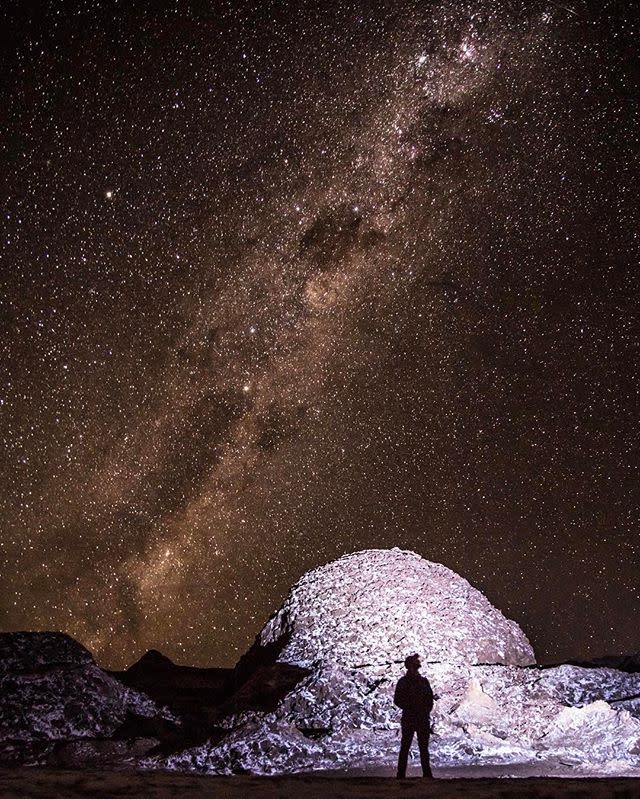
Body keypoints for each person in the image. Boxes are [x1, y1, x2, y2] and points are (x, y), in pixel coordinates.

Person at [393, 653, 436, 779]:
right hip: (412, 718)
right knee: (407, 747)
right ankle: (403, 775)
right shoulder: (405, 682)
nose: (419, 664)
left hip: (418, 718)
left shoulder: (421, 681)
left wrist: (424, 710)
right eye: (416, 662)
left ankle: (425, 774)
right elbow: (398, 700)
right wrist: (413, 707)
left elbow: (429, 699)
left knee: (421, 748)